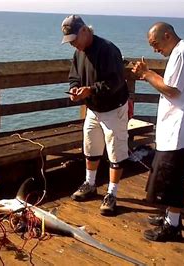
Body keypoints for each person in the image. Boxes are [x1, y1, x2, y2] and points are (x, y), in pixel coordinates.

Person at [131, 22, 184, 241]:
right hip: (177, 127)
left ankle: (172, 227)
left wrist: (147, 73)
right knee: (168, 177)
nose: (155, 49)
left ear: (167, 35)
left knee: (172, 179)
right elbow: (172, 85)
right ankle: (170, 218)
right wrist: (149, 74)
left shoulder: (183, 53)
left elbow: (171, 90)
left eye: (155, 44)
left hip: (178, 129)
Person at [61, 15, 129, 216]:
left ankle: (112, 193)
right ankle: (90, 184)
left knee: (116, 151)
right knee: (91, 146)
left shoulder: (108, 49)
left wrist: (90, 90)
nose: (72, 44)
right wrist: (75, 89)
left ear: (84, 31)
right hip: (93, 109)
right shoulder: (78, 52)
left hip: (113, 108)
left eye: (74, 39)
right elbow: (74, 76)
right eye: (69, 41)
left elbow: (115, 81)